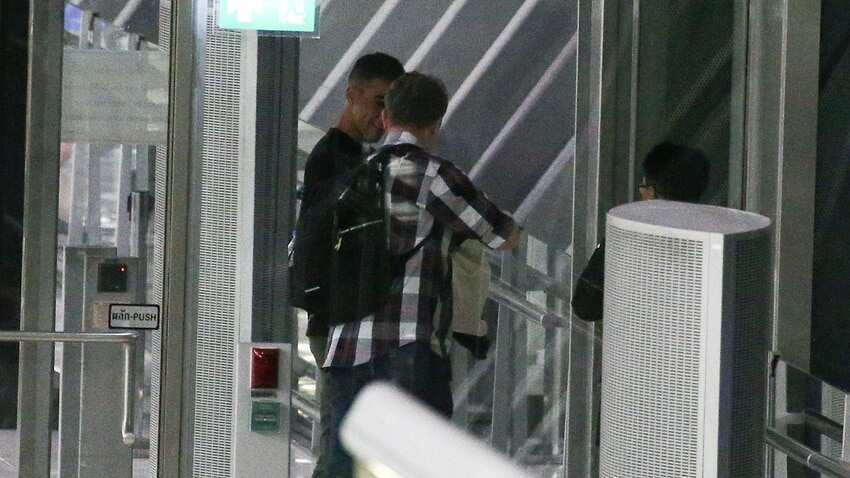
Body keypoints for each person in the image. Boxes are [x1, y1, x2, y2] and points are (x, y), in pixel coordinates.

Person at [313, 72, 521, 478]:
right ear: (434, 125)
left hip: (344, 347)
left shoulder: (352, 174)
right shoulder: (437, 176)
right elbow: (502, 235)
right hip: (408, 346)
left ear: (386, 117)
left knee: (341, 467)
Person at [298, 52, 405, 367]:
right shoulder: (335, 159)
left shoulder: (355, 157)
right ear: (351, 95)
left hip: (345, 320)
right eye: (378, 102)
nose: (383, 115)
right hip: (340, 322)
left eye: (390, 106)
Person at [571, 142, 710, 322]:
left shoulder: (633, 241)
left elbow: (586, 307)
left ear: (652, 193)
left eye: (643, 185)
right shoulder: (714, 239)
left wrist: (611, 243)